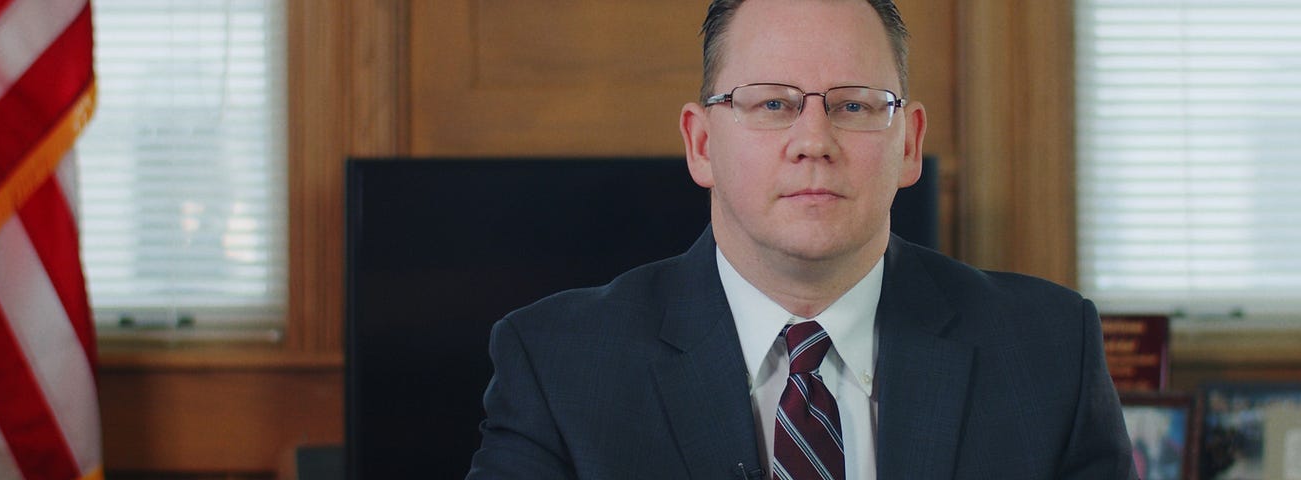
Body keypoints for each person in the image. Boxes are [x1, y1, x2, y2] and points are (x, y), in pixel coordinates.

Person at [466, 0, 1136, 478]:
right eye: (773, 104)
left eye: (853, 106)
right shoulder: (557, 364)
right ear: (702, 144)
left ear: (909, 145)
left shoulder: (1048, 351)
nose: (814, 142)